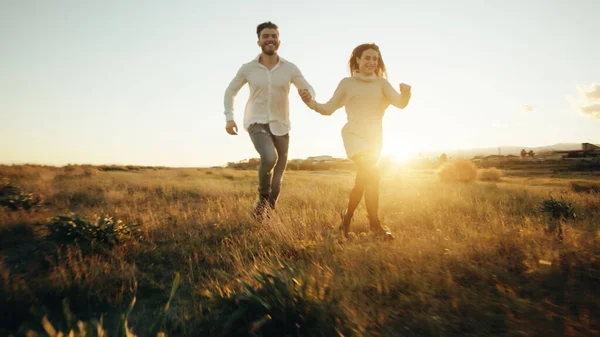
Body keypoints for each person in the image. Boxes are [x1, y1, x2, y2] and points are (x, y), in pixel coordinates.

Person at [301, 43, 411, 240]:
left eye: (375, 59)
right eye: (367, 58)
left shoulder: (382, 84)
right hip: (354, 136)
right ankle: (375, 226)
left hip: (375, 137)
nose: (371, 62)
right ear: (357, 60)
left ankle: (346, 219)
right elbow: (328, 109)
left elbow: (400, 104)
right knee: (373, 176)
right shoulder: (347, 83)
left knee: (363, 182)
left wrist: (406, 94)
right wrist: (311, 103)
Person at [223, 21, 315, 219]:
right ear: (259, 41)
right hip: (256, 121)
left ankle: (268, 211)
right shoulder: (248, 68)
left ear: (278, 41)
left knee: (278, 177)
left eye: (273, 36)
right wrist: (229, 118)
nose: (270, 39)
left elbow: (307, 87)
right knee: (270, 157)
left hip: (282, 125)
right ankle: (262, 196)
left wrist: (309, 96)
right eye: (266, 36)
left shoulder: (290, 68)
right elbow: (230, 92)